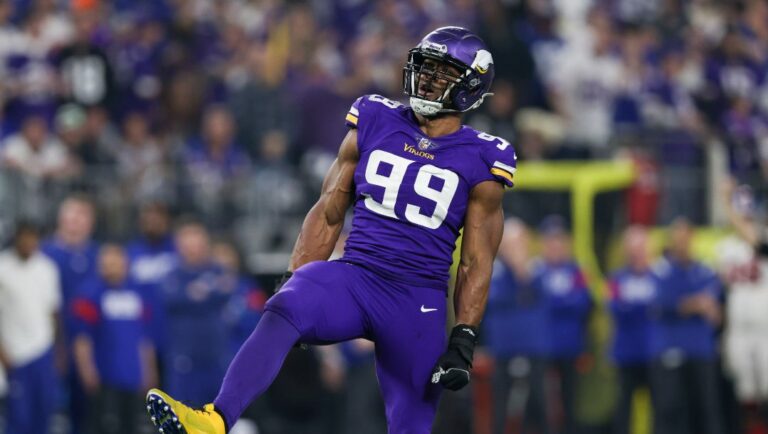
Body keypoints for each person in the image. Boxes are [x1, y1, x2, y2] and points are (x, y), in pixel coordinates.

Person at [145, 26, 515, 434]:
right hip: (355, 275)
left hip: (417, 298)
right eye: (424, 68)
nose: (426, 79)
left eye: (441, 73)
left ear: (470, 85)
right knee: (286, 304)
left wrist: (463, 336)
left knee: (411, 424)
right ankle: (215, 421)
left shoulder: (484, 156)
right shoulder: (376, 117)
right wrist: (295, 276)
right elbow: (328, 211)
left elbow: (476, 261)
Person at [71, 244, 158, 434]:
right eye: (107, 263)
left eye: (115, 262)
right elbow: (82, 339)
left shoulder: (138, 294)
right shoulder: (89, 294)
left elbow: (145, 339)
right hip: (104, 377)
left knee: (131, 426)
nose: (111, 267)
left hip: (132, 376)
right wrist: (87, 371)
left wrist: (149, 371)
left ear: (125, 264)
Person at [650, 217, 724, 434]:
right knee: (671, 411)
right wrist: (697, 304)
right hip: (671, 350)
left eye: (685, 237)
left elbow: (715, 307)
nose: (681, 242)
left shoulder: (705, 270)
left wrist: (691, 304)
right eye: (677, 238)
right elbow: (664, 303)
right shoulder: (661, 270)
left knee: (707, 409)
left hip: (701, 349)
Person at [484, 218, 551, 434]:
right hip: (503, 348)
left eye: (519, 243)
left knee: (540, 405)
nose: (515, 249)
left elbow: (544, 297)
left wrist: (522, 273)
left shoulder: (539, 269)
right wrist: (517, 277)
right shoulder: (493, 269)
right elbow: (492, 299)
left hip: (534, 348)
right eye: (510, 243)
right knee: (500, 407)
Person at [160, 221, 235, 407]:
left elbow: (226, 290)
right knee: (184, 418)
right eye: (188, 244)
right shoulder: (172, 275)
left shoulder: (218, 270)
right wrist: (204, 294)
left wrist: (195, 295)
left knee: (219, 417)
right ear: (179, 246)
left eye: (197, 243)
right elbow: (172, 299)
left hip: (216, 358)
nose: (193, 249)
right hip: (184, 361)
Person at [531, 215, 592, 434]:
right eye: (551, 240)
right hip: (541, 348)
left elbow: (583, 303)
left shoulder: (577, 271)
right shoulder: (535, 270)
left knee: (570, 403)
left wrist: (553, 300)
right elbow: (536, 304)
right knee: (541, 403)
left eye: (559, 239)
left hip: (570, 346)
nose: (555, 245)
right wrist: (563, 300)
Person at [0, 222, 62, 434]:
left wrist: (57, 350)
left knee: (43, 413)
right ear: (15, 238)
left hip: (43, 351)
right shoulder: (2, 268)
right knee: (19, 419)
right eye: (23, 237)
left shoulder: (47, 268)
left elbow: (53, 311)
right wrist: (3, 353)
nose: (28, 242)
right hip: (15, 355)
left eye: (32, 237)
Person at [608, 226, 659, 434]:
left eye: (641, 247)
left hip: (653, 352)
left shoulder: (659, 277)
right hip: (625, 353)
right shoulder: (616, 278)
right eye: (633, 247)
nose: (637, 252)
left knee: (660, 409)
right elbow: (616, 309)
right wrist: (646, 307)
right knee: (623, 410)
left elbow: (664, 307)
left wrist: (634, 305)